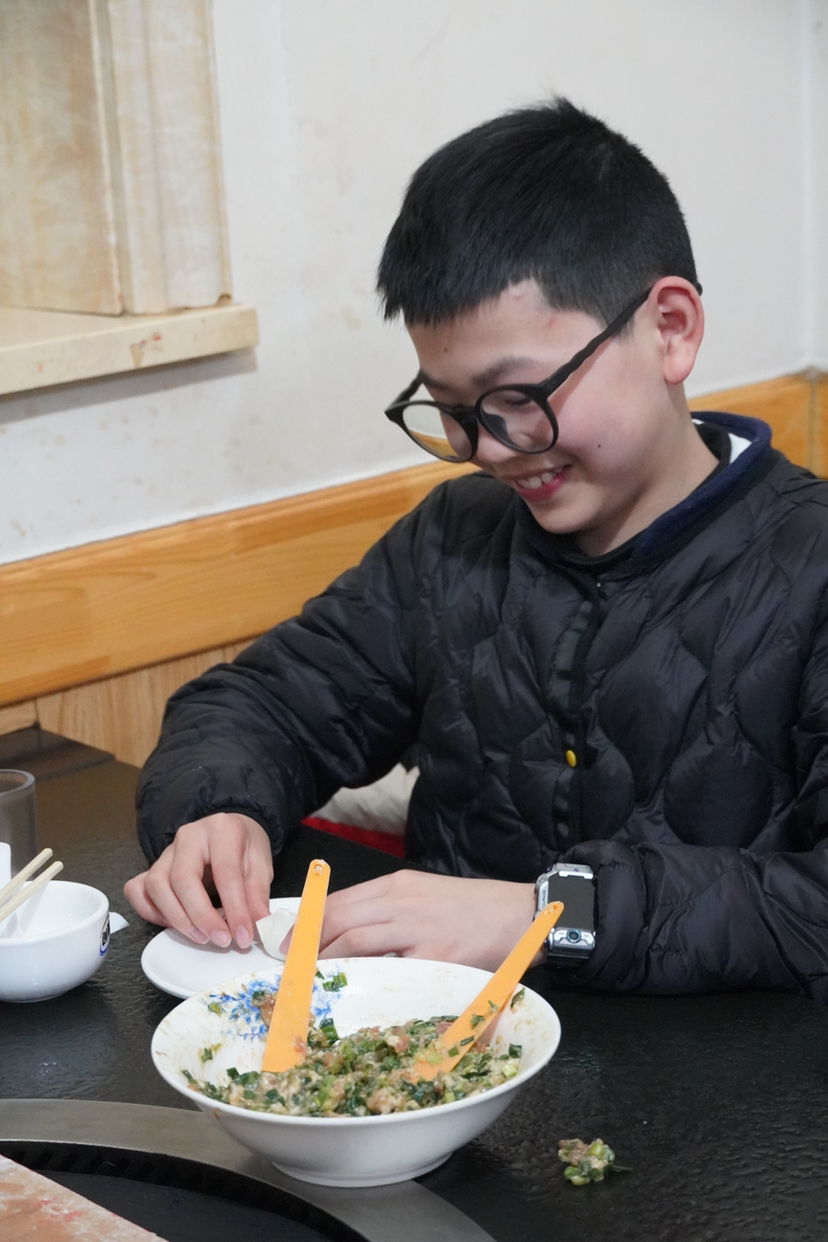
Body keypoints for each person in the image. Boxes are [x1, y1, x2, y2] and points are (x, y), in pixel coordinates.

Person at [125, 99, 828, 1002]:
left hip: (718, 1079)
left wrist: (547, 914)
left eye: (518, 398)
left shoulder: (808, 564)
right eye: (453, 411)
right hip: (429, 1053)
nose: (487, 450)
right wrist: (216, 809)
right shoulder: (456, 538)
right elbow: (261, 703)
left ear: (671, 329)